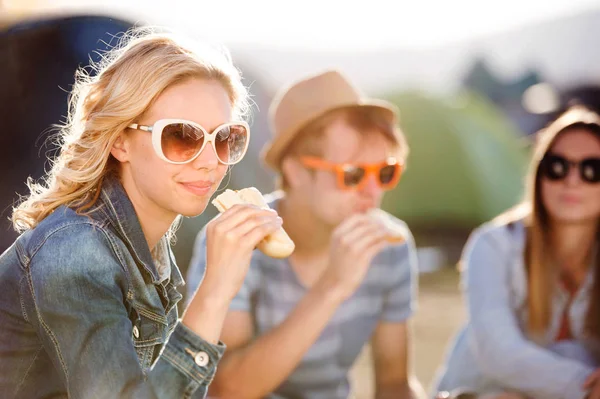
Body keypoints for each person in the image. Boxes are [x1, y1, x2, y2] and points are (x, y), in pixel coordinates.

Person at [0, 28, 283, 399]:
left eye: (225, 137)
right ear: (120, 140)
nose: (211, 162)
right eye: (182, 136)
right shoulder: (75, 254)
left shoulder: (148, 249)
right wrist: (214, 291)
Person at [187, 69, 424, 398]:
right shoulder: (238, 240)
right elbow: (226, 389)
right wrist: (333, 286)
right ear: (295, 171)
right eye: (353, 174)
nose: (373, 192)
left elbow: (394, 384)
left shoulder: (390, 246)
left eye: (385, 171)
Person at [432, 106, 600, 399]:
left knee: (572, 352)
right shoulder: (493, 244)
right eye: (557, 166)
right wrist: (585, 385)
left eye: (592, 170)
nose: (572, 181)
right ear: (538, 172)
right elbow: (498, 353)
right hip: (475, 393)